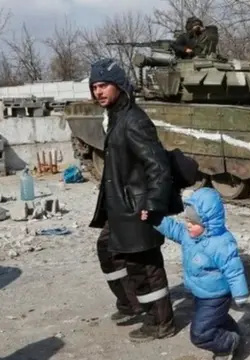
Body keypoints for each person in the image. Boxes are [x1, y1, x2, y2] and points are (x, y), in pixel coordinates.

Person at [88, 58, 177, 342]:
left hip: (136, 207)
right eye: (94, 87)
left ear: (119, 86)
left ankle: (160, 322)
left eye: (103, 85)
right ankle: (132, 304)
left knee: (145, 264)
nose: (98, 92)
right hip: (119, 205)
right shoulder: (116, 117)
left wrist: (153, 204)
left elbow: (158, 165)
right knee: (108, 249)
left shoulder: (134, 120)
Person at [143, 187, 249, 360]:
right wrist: (156, 219)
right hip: (200, 293)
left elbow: (234, 270)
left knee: (200, 334)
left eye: (194, 222)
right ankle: (230, 333)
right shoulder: (189, 235)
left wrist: (240, 293)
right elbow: (174, 229)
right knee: (215, 320)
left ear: (207, 222)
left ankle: (230, 343)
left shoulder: (221, 243)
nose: (188, 225)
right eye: (187, 220)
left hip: (217, 295)